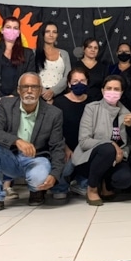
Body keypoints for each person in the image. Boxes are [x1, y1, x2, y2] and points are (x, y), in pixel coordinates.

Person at [0, 72, 65, 215]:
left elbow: (57, 147)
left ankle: (36, 191)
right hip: (9, 158)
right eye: (25, 87)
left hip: (36, 159)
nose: (29, 91)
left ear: (40, 90)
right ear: (18, 90)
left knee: (40, 180)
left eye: (34, 87)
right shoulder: (6, 105)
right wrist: (16, 141)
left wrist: (54, 175)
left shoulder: (54, 113)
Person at [0, 16, 35, 202]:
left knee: (11, 141)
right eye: (8, 27)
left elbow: (29, 77)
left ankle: (7, 185)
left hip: (16, 103)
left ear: (19, 32)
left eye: (15, 27)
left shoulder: (27, 53)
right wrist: (0, 98)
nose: (12, 30)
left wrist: (12, 97)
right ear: (2, 30)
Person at [71, 75, 131, 206]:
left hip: (115, 160)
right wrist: (111, 144)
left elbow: (128, 143)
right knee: (108, 149)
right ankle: (92, 188)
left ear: (122, 92)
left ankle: (105, 183)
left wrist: (123, 154)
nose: (112, 91)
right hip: (89, 159)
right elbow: (84, 141)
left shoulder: (127, 114)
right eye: (109, 88)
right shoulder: (91, 108)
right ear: (102, 90)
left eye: (116, 89)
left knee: (125, 179)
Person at [52, 67, 90, 199]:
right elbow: (54, 130)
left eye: (82, 81)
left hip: (86, 147)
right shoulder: (59, 102)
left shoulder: (93, 102)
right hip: (65, 146)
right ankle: (61, 186)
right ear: (69, 84)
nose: (79, 84)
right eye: (75, 81)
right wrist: (65, 148)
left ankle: (81, 183)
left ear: (87, 82)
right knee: (65, 169)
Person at [35, 21, 71, 104]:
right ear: (42, 34)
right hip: (38, 95)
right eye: (48, 32)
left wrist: (53, 91)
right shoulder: (34, 53)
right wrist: (44, 92)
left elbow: (67, 76)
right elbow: (31, 75)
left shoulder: (64, 54)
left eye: (54, 32)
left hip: (59, 95)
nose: (51, 35)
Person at [75, 38, 107, 102]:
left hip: (98, 102)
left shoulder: (103, 68)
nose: (93, 50)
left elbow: (106, 87)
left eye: (95, 48)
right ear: (84, 49)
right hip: (78, 101)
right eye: (90, 47)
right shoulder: (75, 66)